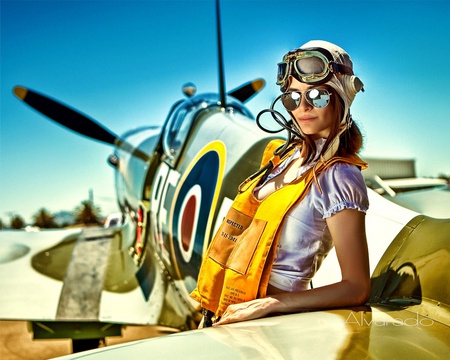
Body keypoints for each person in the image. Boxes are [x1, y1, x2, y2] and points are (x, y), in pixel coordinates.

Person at [191, 40, 370, 327]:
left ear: (342, 97)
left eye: (318, 96)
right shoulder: (282, 157)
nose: (303, 107)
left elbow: (357, 287)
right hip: (230, 316)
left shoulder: (339, 175)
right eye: (292, 98)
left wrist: (272, 303)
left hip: (270, 325)